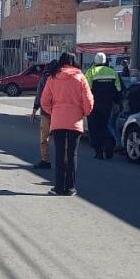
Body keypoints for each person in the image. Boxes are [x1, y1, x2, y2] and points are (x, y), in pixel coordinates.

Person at [40, 52, 93, 196]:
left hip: (58, 121)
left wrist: (54, 112)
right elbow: (88, 101)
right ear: (74, 62)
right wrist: (83, 112)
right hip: (75, 122)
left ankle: (58, 188)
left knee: (59, 154)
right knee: (72, 154)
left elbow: (44, 101)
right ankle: (70, 188)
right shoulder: (81, 77)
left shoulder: (53, 78)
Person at [84, 52, 122, 160]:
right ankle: (109, 146)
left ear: (95, 61)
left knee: (94, 129)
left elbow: (87, 90)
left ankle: (99, 152)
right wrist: (117, 102)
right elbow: (118, 89)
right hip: (107, 105)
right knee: (104, 126)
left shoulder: (91, 72)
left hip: (93, 105)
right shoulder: (113, 72)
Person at [30, 59, 58, 170]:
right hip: (58, 112)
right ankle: (64, 161)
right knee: (60, 139)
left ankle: (45, 160)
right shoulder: (61, 79)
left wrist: (34, 110)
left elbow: (39, 94)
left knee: (44, 138)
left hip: (46, 112)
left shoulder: (44, 78)